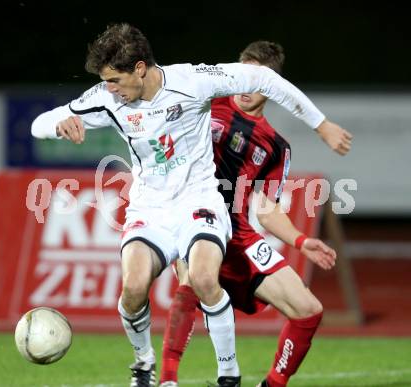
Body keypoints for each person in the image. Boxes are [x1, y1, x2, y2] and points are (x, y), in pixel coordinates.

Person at [31, 23, 349, 387]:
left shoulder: (195, 84)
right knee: (137, 288)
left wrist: (321, 125)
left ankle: (237, 377)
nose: (109, 89)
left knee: (214, 281)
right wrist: (59, 125)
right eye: (105, 81)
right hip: (150, 210)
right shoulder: (112, 98)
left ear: (139, 68)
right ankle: (149, 368)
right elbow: (42, 121)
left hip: (205, 209)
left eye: (114, 80)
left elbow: (265, 82)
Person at [159, 41, 351, 387]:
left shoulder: (275, 146)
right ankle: (166, 379)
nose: (244, 85)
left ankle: (274, 384)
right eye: (240, 74)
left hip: (239, 232)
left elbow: (267, 209)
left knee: (308, 310)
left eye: (256, 79)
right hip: (193, 217)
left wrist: (301, 239)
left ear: (272, 87)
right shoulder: (206, 104)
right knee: (192, 280)